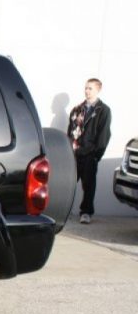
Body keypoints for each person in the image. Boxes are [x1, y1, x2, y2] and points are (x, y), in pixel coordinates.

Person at [67, 78, 111, 224]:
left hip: (90, 154)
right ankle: (64, 211)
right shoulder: (77, 109)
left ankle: (86, 212)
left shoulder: (103, 110)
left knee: (88, 185)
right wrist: (69, 149)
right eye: (86, 88)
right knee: (69, 184)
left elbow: (104, 134)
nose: (86, 91)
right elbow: (70, 131)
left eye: (90, 88)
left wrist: (96, 155)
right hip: (74, 153)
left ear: (98, 90)